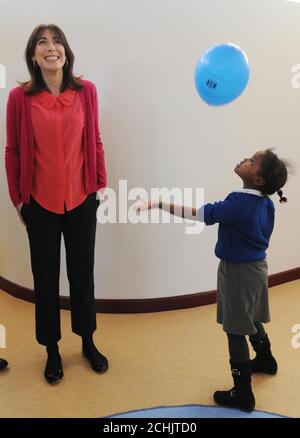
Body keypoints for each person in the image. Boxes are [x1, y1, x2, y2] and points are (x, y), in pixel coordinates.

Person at [136, 149, 288, 412]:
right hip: (256, 268)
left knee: (235, 329)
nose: (245, 160)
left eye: (252, 162)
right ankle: (265, 360)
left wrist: (159, 203)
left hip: (238, 272)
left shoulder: (239, 203)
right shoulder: (265, 202)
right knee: (251, 317)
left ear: (258, 179)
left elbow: (200, 215)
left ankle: (243, 393)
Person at [5, 24, 108, 384]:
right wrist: (18, 199)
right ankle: (51, 349)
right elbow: (13, 150)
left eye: (57, 41)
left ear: (66, 51)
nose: (51, 47)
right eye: (42, 43)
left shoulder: (86, 92)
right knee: (46, 280)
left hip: (81, 200)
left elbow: (94, 137)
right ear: (34, 56)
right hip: (40, 205)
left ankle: (88, 341)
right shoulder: (20, 99)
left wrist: (99, 184)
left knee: (83, 275)